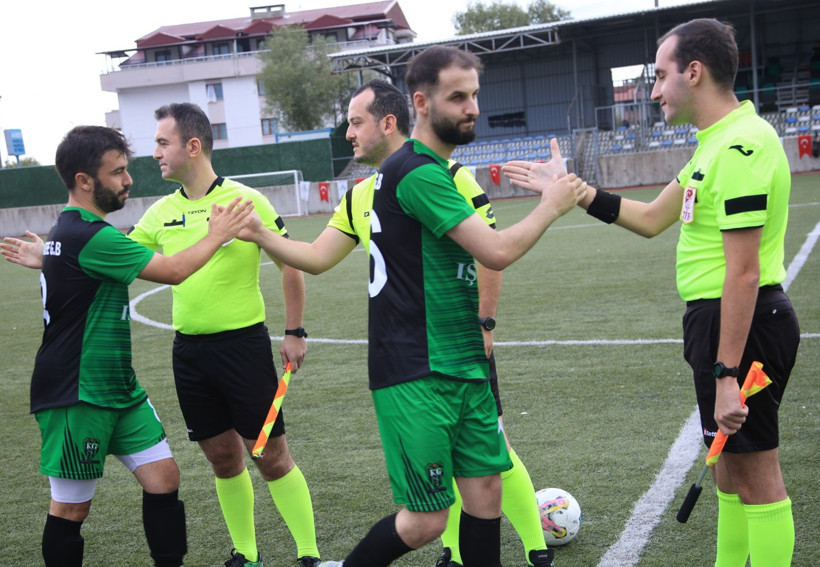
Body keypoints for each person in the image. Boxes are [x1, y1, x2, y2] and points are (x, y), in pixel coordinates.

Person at [243, 47, 585, 567]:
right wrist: (553, 203)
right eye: (457, 97)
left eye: (474, 95)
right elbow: (495, 251)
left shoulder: (426, 173)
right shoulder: (417, 172)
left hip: (462, 360)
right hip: (416, 370)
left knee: (486, 492)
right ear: (421, 103)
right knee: (426, 520)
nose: (471, 107)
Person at [504, 19, 800, 567]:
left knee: (758, 478)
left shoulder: (740, 145)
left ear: (695, 71)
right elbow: (649, 218)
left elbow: (742, 273)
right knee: (730, 476)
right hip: (717, 326)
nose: (655, 91)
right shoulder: (711, 146)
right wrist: (575, 192)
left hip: (744, 326)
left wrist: (728, 375)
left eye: (661, 76)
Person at [0, 125, 253, 567]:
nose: (128, 180)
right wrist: (217, 233)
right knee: (72, 506)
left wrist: (50, 258)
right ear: (84, 181)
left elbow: (81, 263)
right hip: (76, 391)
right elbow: (173, 270)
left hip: (119, 388)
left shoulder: (75, 233)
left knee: (164, 478)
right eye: (117, 172)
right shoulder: (89, 235)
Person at [123, 102, 320, 567]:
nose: (155, 153)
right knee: (222, 460)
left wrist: (295, 331)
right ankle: (246, 554)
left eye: (162, 142)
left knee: (270, 457)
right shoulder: (160, 213)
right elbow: (119, 257)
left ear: (193, 146)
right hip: (189, 354)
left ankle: (308, 554)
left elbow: (290, 263)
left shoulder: (245, 201)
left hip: (244, 349)